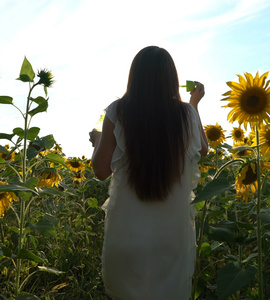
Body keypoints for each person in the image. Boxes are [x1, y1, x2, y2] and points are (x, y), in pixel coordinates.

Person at [89, 46, 208, 300]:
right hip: (172, 235)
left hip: (127, 233)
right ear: (172, 79)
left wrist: (99, 139)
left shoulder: (117, 111)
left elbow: (100, 170)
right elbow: (204, 148)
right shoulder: (185, 115)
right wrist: (194, 104)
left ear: (134, 77)